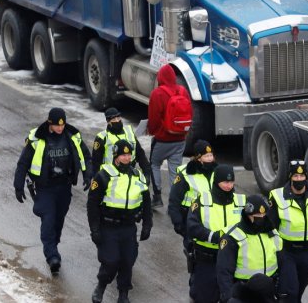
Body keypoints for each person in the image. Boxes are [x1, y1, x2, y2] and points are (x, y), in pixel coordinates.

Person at [13, 107, 91, 274]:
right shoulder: (37, 139)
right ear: (50, 123)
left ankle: (52, 245)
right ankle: (52, 256)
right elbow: (23, 163)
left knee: (58, 220)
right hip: (45, 188)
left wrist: (87, 175)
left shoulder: (72, 136)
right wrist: (18, 185)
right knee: (48, 219)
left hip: (64, 186)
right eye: (57, 125)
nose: (60, 128)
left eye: (62, 125)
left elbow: (84, 156)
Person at [88, 139, 153, 303]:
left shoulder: (137, 175)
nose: (127, 158)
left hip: (129, 227)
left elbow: (146, 202)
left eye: (129, 154)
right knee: (110, 261)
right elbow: (92, 204)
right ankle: (101, 285)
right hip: (108, 226)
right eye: (123, 155)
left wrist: (147, 224)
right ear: (116, 156)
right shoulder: (104, 175)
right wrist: (94, 229)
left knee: (127, 261)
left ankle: (123, 294)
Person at [268, 160, 308, 303]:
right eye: (295, 177)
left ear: (306, 177)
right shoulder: (278, 196)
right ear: (290, 177)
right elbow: (270, 227)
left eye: (302, 176)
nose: (299, 180)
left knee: (300, 286)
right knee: (290, 290)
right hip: (286, 251)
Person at [187, 164, 246, 303]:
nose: (229, 186)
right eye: (225, 182)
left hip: (232, 259)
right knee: (203, 297)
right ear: (216, 181)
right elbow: (192, 226)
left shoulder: (241, 201)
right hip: (207, 259)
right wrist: (215, 237)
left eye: (231, 182)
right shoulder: (202, 201)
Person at [217, 194, 282, 303]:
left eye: (263, 215)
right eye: (256, 216)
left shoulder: (272, 232)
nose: (260, 219)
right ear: (247, 215)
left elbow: (282, 261)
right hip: (243, 293)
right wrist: (228, 298)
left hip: (268, 291)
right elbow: (224, 272)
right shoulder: (233, 237)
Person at [147, 64, 190, 208]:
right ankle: (175, 202)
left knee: (154, 164)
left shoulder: (157, 93)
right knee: (175, 170)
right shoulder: (183, 91)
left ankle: (157, 197)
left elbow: (153, 119)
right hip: (180, 139)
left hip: (162, 140)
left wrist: (152, 131)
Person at [168, 139, 217, 245]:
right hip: (192, 219)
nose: (210, 159)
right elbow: (174, 200)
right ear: (199, 158)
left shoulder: (217, 172)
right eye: (206, 156)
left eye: (211, 155)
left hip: (213, 218)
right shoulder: (185, 175)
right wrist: (178, 223)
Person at [91, 107, 151, 178]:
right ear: (108, 121)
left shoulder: (129, 132)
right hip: (110, 176)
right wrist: (95, 178)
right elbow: (95, 162)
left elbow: (140, 154)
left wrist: (146, 172)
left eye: (118, 118)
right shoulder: (102, 137)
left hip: (129, 174)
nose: (117, 121)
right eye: (113, 119)